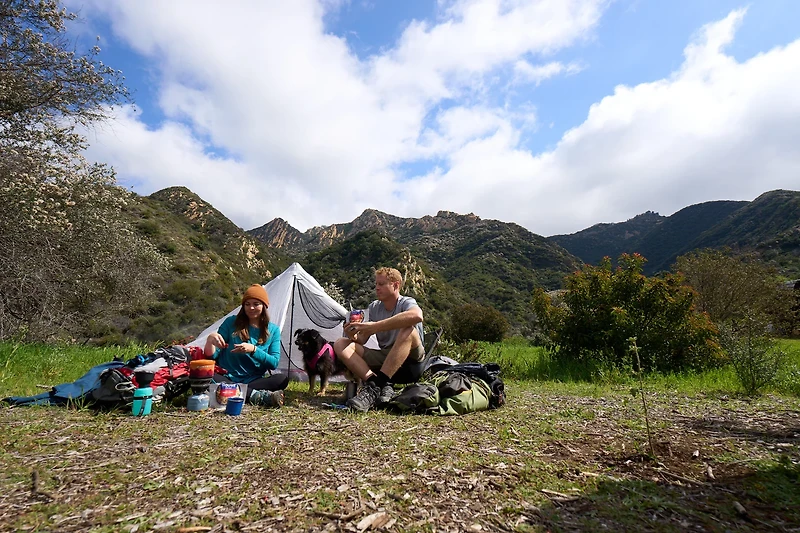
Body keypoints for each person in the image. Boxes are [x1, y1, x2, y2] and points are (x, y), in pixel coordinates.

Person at [334, 267, 424, 412]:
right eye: (376, 284)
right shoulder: (374, 307)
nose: (377, 288)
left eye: (381, 284)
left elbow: (417, 316)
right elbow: (362, 340)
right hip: (385, 359)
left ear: (395, 285)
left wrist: (376, 326)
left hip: (410, 361)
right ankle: (374, 385)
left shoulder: (406, 302)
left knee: (408, 330)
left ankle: (376, 386)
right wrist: (353, 335)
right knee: (340, 344)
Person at [204, 284, 287, 407]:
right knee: (205, 374)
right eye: (247, 304)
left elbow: (274, 363)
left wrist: (253, 350)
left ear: (264, 306)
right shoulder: (231, 322)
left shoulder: (273, 330)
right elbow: (212, 356)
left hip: (253, 380)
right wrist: (210, 341)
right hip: (226, 376)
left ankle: (232, 392)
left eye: (256, 304)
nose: (251, 308)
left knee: (282, 379)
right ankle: (256, 396)